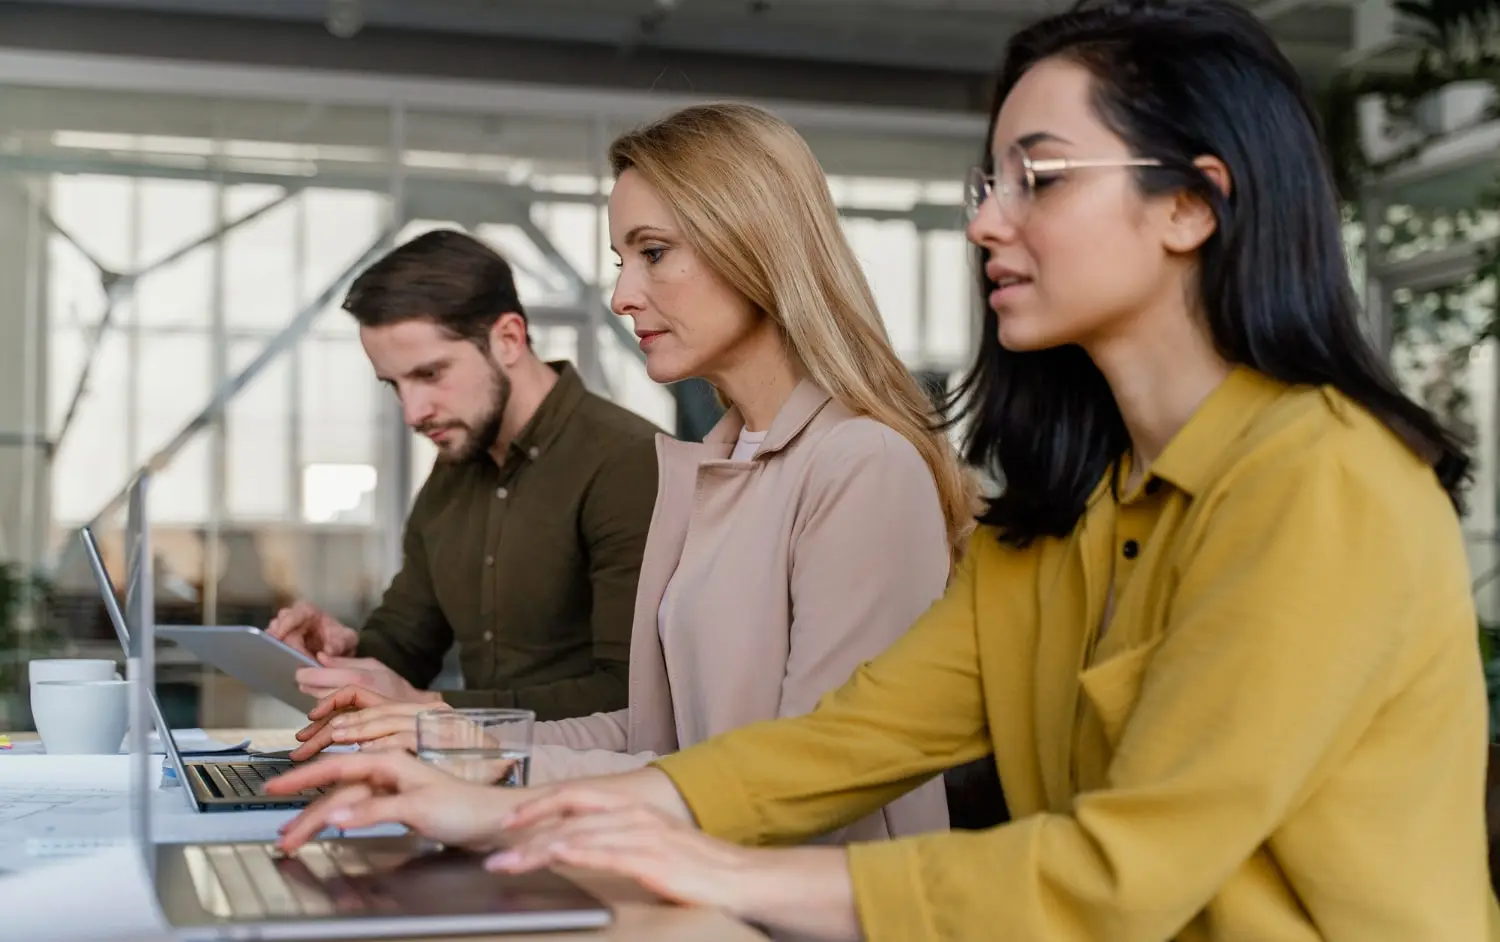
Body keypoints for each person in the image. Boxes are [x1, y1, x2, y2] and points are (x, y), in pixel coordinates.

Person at [267, 1, 1498, 938]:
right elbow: (827, 747)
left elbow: (1121, 874)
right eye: (990, 183)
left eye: (1042, 179)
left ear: (1192, 206)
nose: (986, 222)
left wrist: (711, 864)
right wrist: (492, 801)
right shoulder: (1067, 516)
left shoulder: (1319, 483)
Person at [285, 102, 978, 843]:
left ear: (756, 245)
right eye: (623, 261)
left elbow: (807, 776)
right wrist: (458, 744)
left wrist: (493, 774)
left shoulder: (861, 465)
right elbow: (655, 734)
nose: (622, 297)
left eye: (653, 253)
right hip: (699, 876)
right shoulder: (714, 465)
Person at [265, 229, 661, 718]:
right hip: (476, 772)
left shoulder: (629, 462)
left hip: (596, 783)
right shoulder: (454, 467)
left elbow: (630, 697)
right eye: (395, 384)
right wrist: (341, 657)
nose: (413, 412)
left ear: (508, 339)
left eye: (430, 374)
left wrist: (429, 707)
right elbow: (406, 642)